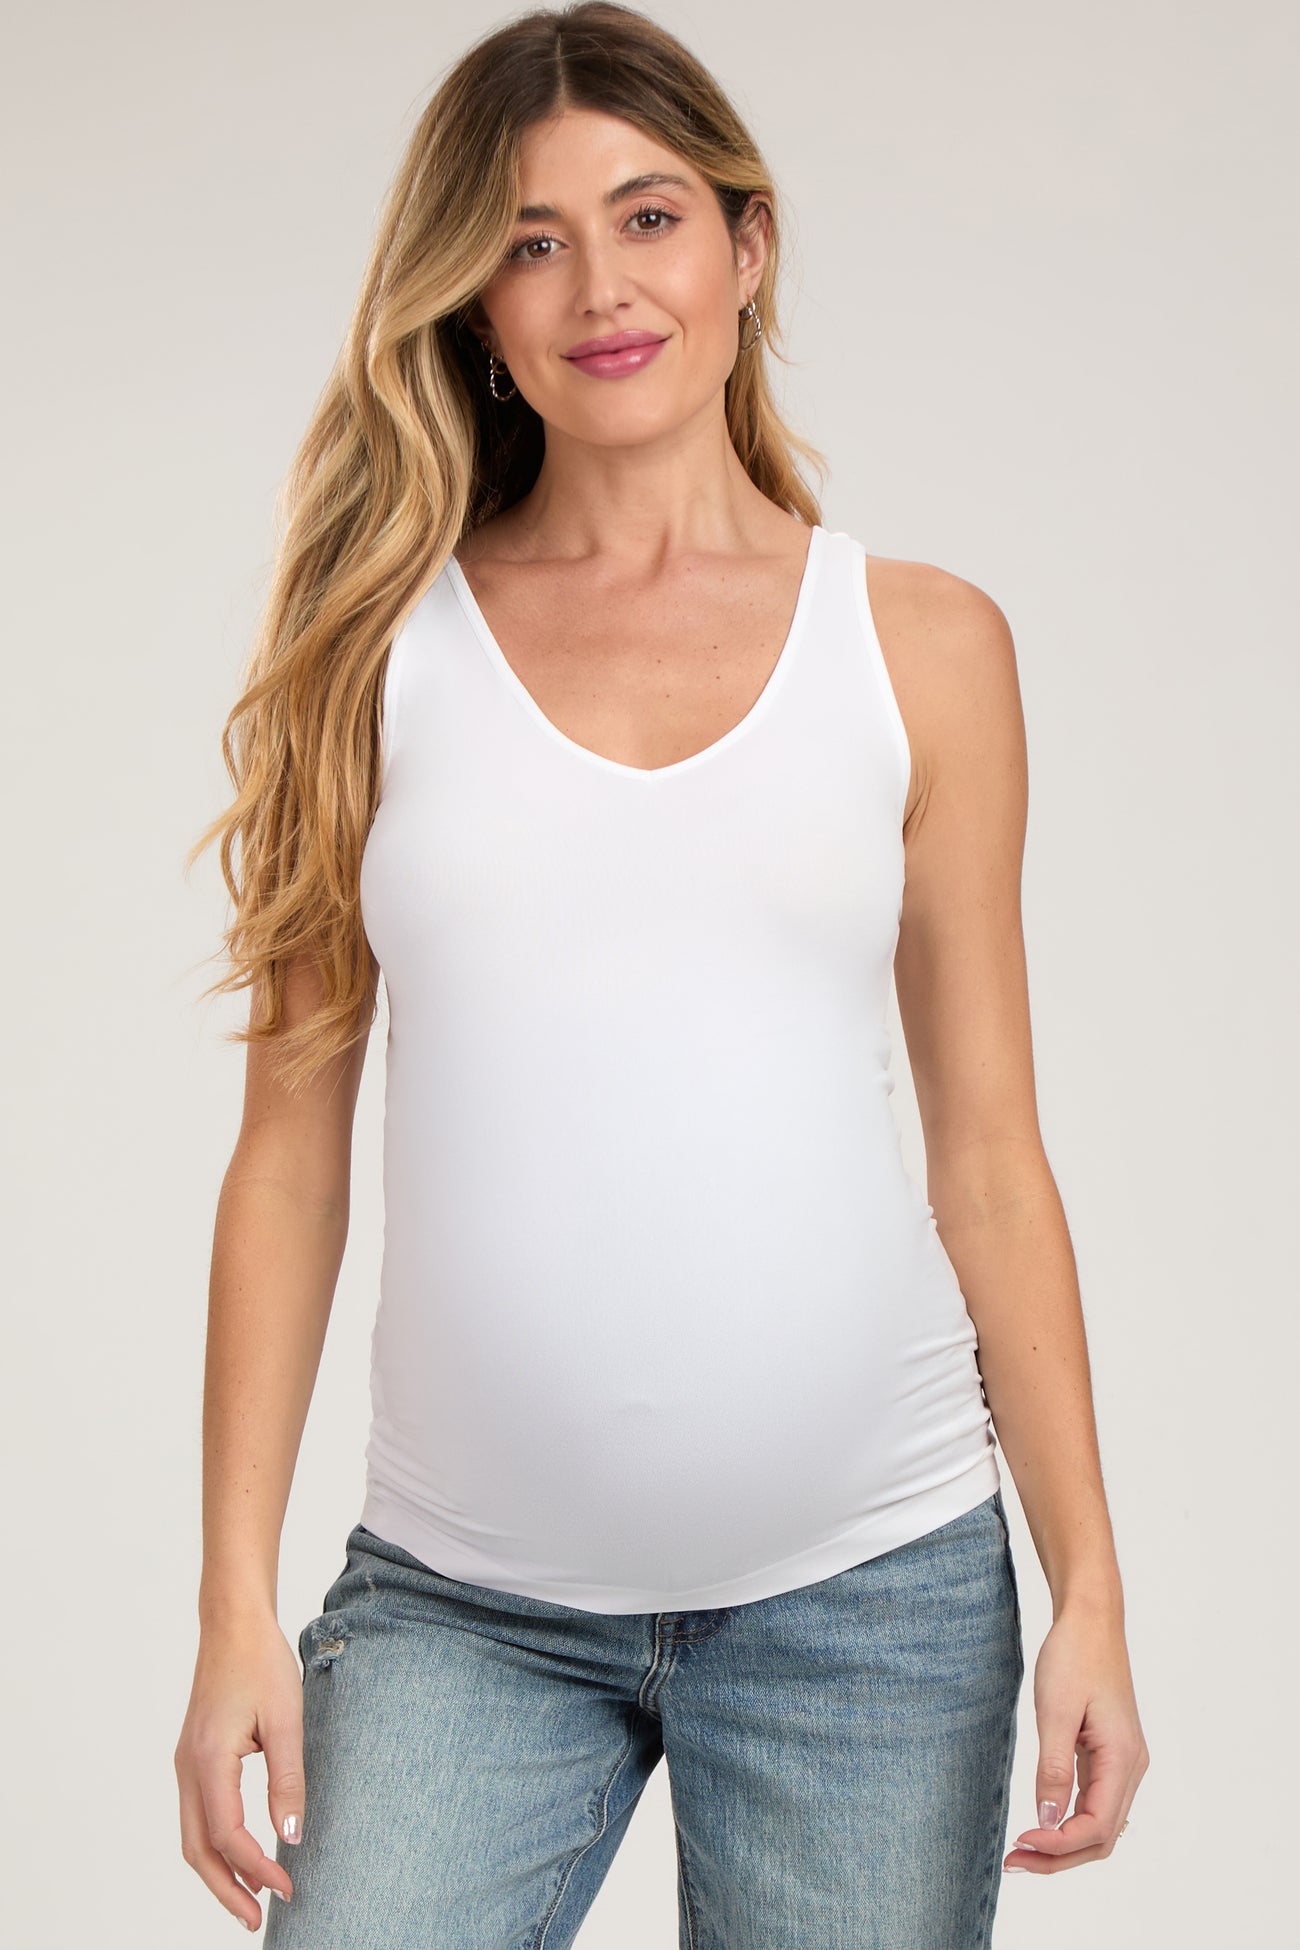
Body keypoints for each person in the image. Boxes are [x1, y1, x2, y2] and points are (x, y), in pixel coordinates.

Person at [173, 5, 1149, 1942]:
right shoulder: (373, 658)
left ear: (744, 245)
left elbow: (986, 1155)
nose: (600, 289)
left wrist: (1091, 1590)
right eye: (530, 241)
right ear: (473, 301)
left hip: (869, 1602)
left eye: (647, 218)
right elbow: (286, 1160)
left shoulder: (923, 649)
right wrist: (229, 1610)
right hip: (460, 1610)